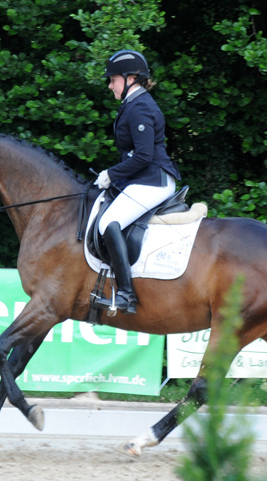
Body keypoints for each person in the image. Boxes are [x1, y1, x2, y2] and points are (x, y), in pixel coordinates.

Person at [94, 50, 181, 314]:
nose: (110, 85)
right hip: (143, 178)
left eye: (113, 79)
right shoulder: (133, 102)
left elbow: (143, 156)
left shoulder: (141, 106)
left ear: (131, 77)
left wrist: (112, 174)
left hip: (153, 180)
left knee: (109, 222)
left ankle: (126, 295)